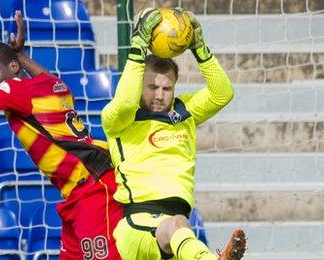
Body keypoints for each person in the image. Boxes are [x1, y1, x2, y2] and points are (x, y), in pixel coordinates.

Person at [0, 11, 123, 259]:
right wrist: (20, 55)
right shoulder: (52, 85)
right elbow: (43, 76)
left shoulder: (18, 90)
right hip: (79, 192)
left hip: (93, 188)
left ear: (13, 69)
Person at [101, 8, 247, 260]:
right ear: (140, 85)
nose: (159, 95)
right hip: (138, 222)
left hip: (175, 235)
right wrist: (138, 44)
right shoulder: (121, 119)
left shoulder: (184, 112)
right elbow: (124, 102)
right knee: (177, 224)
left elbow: (223, 93)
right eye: (152, 87)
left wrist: (200, 49)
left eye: (166, 88)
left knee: (179, 224)